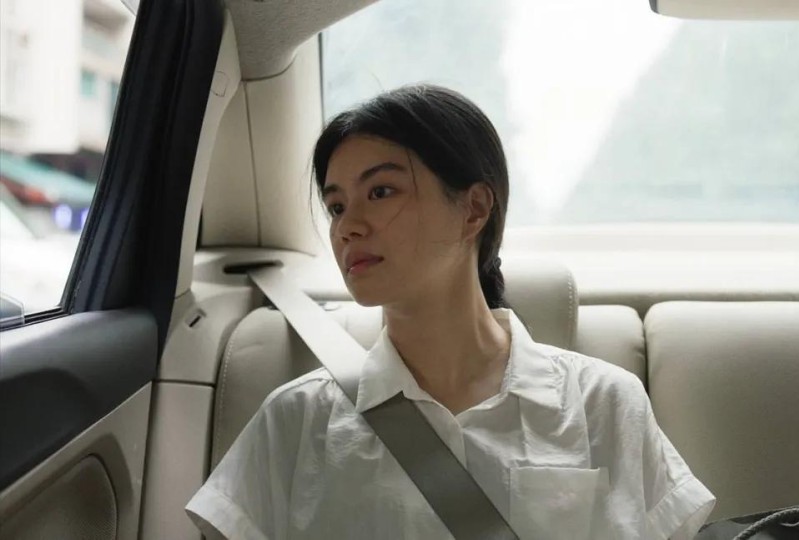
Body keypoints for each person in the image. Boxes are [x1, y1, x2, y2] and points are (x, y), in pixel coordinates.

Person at [185, 84, 716, 539]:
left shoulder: (602, 404)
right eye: (337, 206)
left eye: (381, 191)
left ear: (474, 208)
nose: (348, 227)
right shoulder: (297, 419)